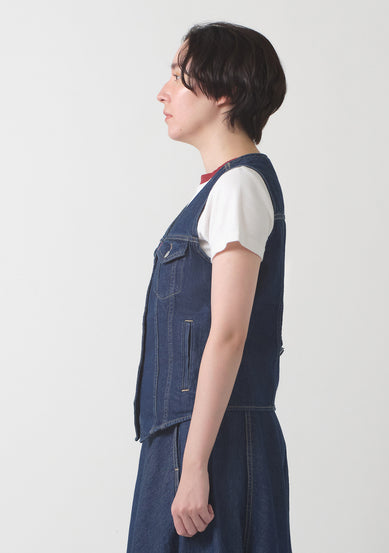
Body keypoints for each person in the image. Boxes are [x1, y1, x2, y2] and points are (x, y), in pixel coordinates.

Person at [126, 21, 292, 553]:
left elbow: (229, 332)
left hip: (212, 444)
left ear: (225, 93)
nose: (163, 92)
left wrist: (195, 463)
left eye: (179, 76)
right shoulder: (223, 190)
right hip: (190, 438)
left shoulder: (239, 186)